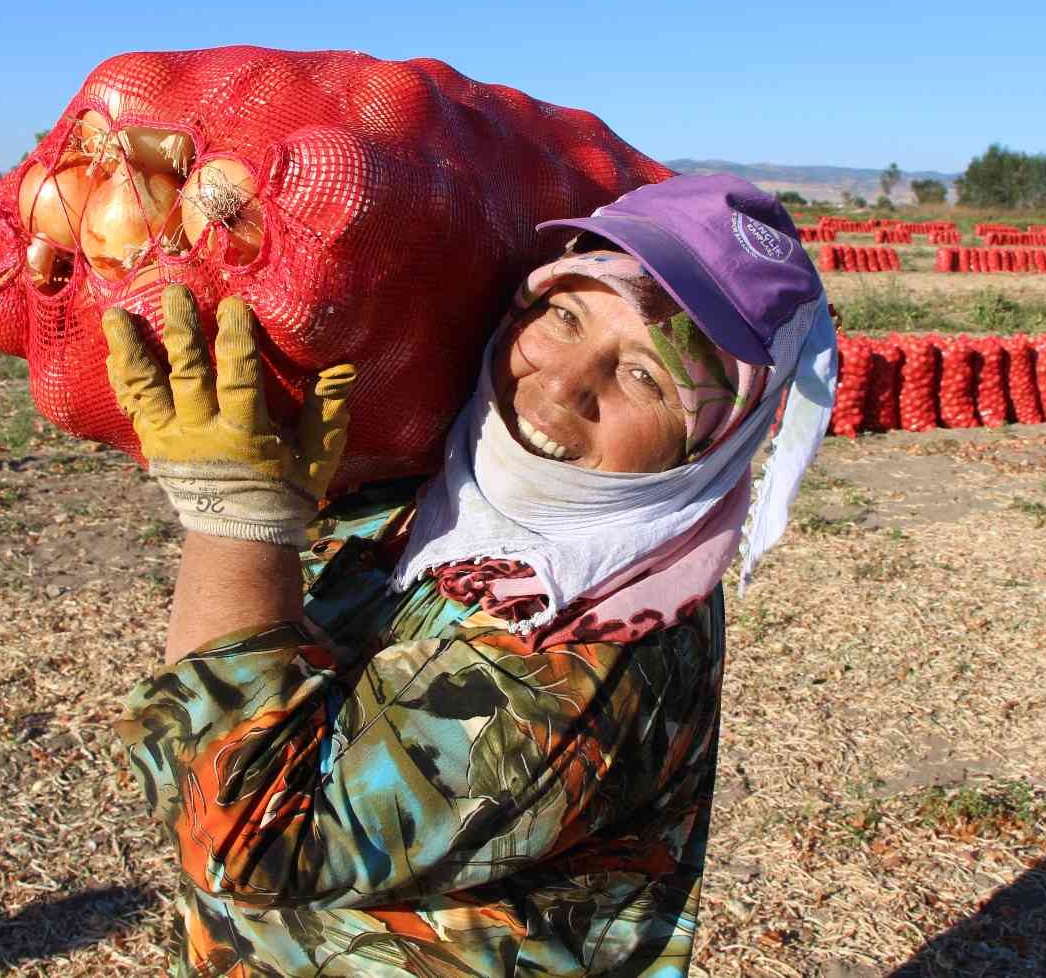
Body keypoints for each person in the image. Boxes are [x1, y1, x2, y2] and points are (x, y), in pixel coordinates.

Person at [105, 174, 837, 976]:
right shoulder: (436, 488)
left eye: (644, 377)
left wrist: (234, 521)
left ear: (711, 443)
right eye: (565, 315)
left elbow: (254, 835)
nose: (562, 384)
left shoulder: (590, 649)